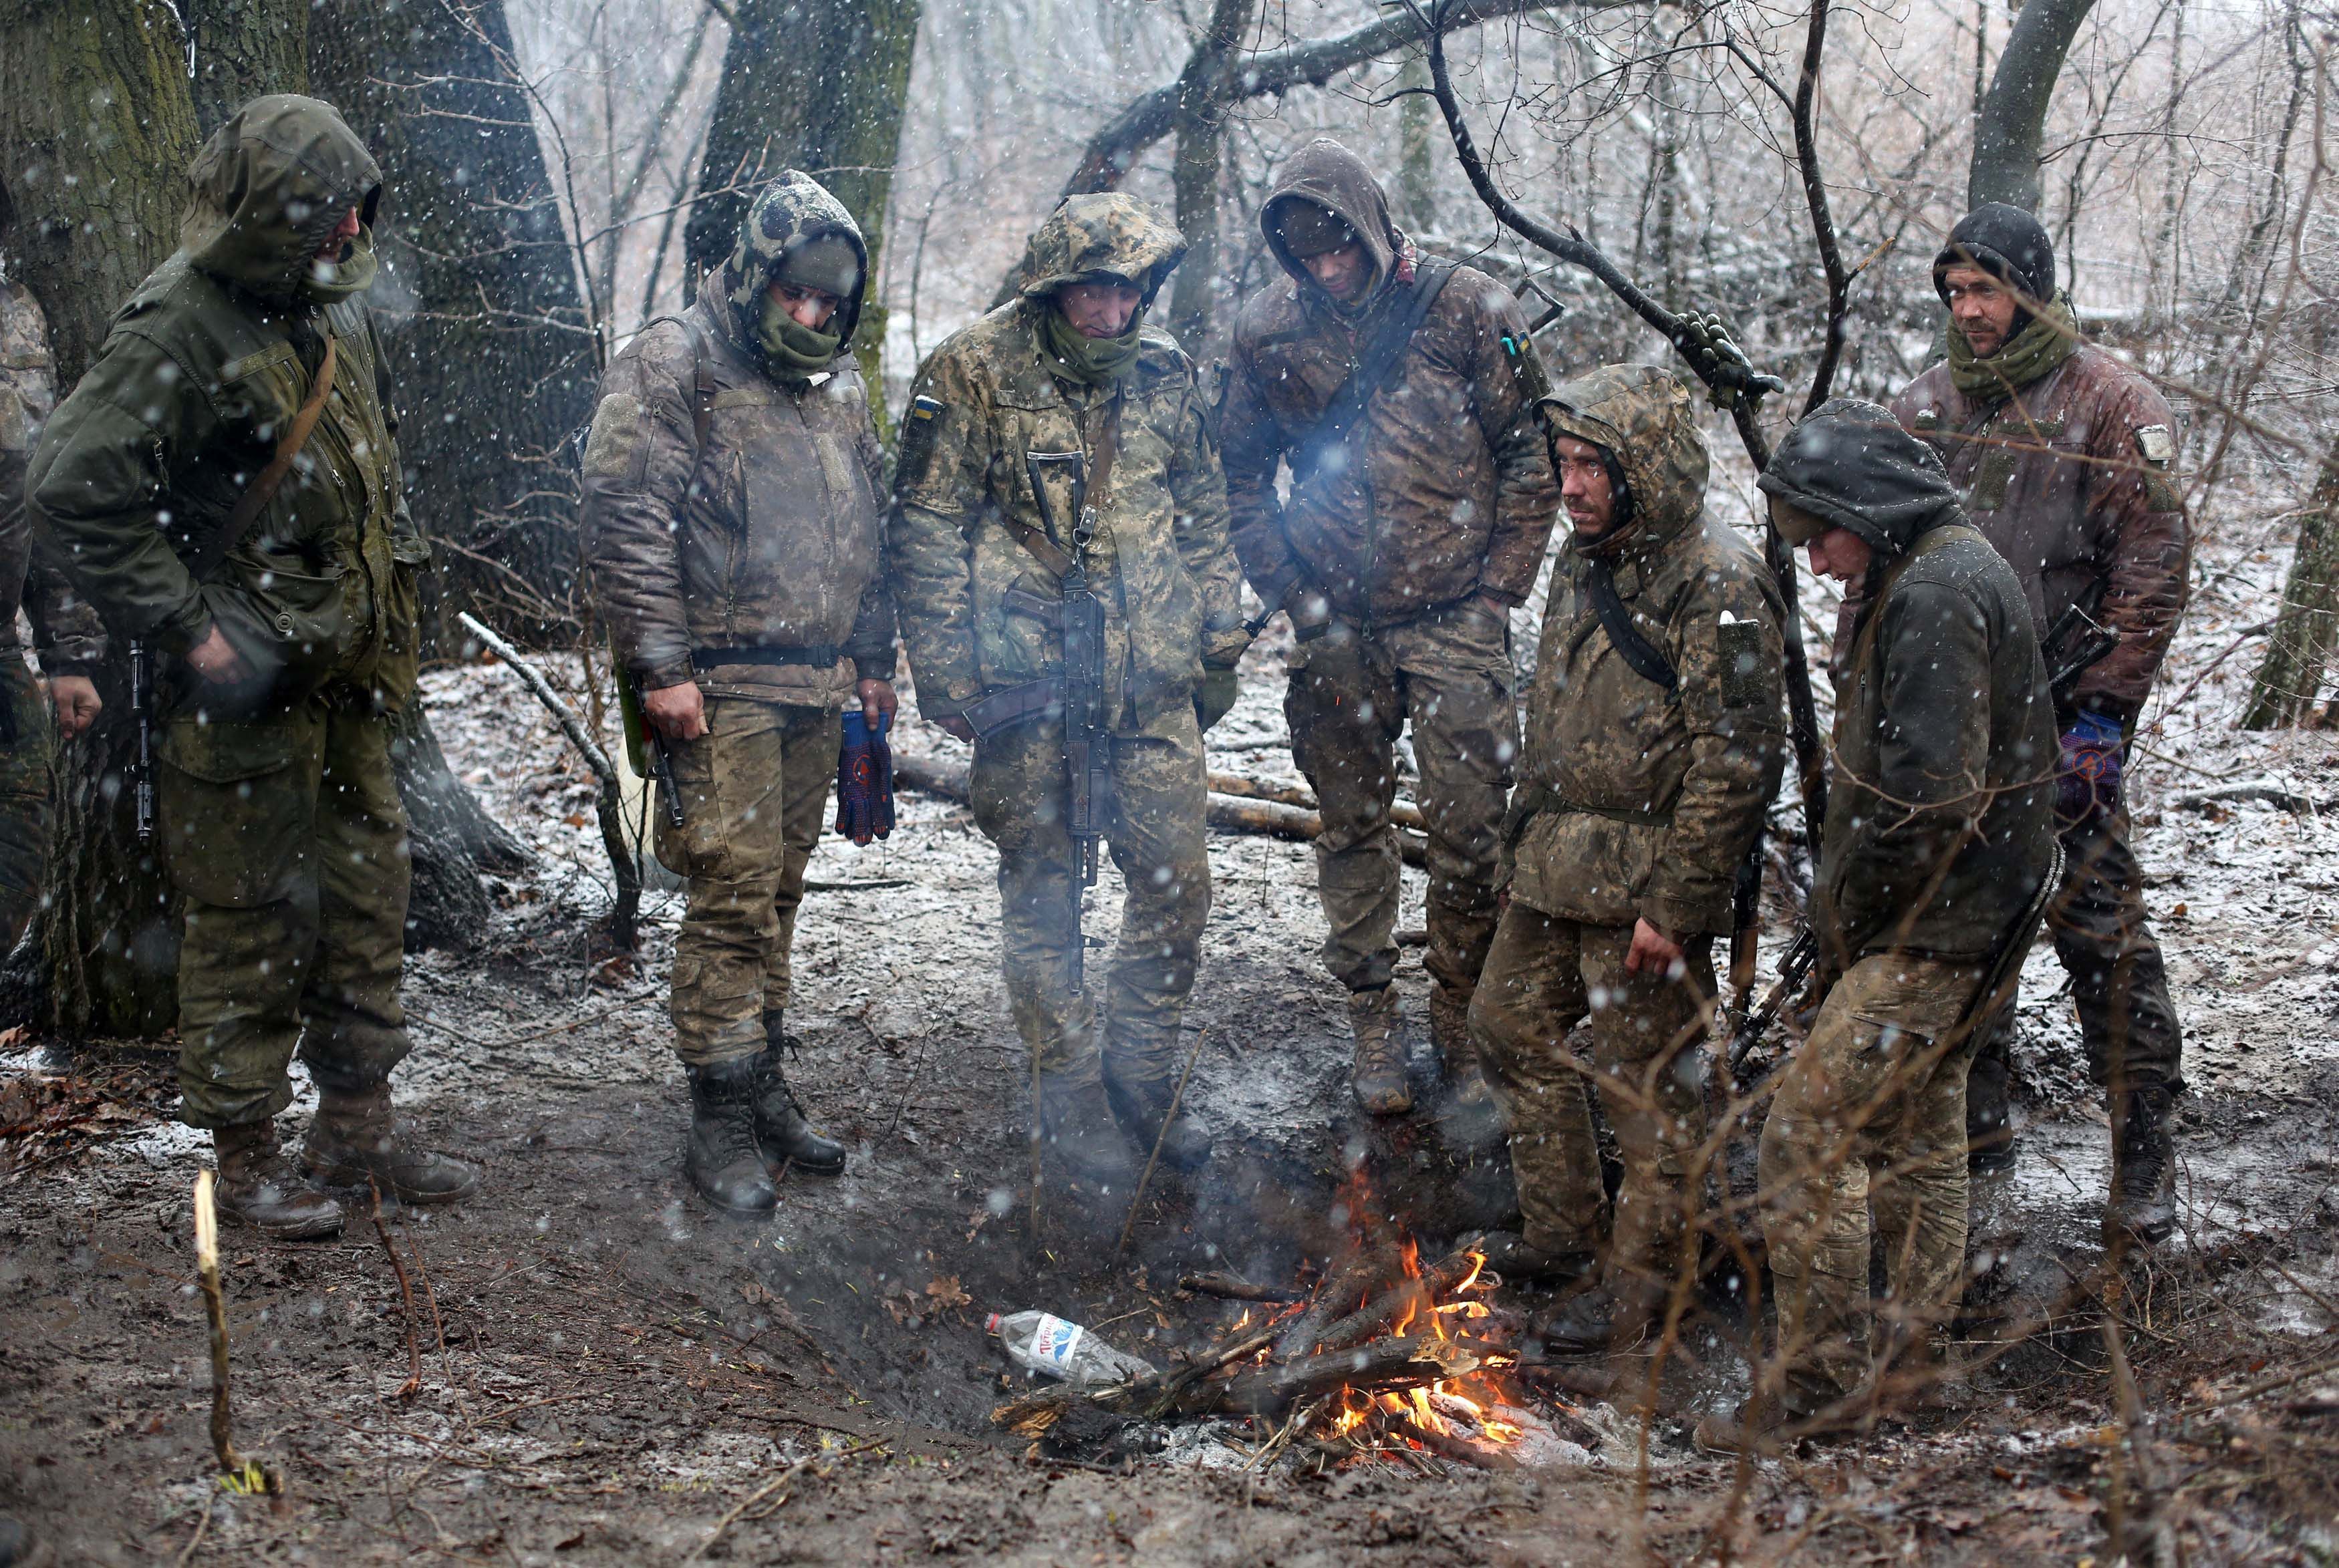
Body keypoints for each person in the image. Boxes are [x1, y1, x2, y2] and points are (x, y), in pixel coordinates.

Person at [29, 96, 476, 1240]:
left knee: (367, 905)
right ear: (270, 221)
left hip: (347, 686)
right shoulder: (175, 326)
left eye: (356, 219)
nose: (350, 244)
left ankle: (359, 1124)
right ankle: (244, 1158)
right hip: (240, 705)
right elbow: (74, 485)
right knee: (248, 921)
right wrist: (189, 626)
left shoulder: (321, 310)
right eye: (327, 223)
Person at [1700, 400, 2056, 1452]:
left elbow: (1926, 805)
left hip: (1937, 929)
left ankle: (1816, 1396)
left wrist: (1852, 931)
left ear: (1869, 506)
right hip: (1971, 918)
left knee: (1810, 1137)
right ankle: (1914, 1368)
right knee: (1922, 1134)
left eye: (1820, 537)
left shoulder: (1939, 590)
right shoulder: (1939, 565)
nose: (1813, 566)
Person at [889, 192, 1247, 1190]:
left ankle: (1139, 1069)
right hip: (1026, 680)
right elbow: (924, 525)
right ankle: (1072, 1099)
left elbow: (1205, 509)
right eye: (1095, 288)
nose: (1113, 308)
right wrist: (948, 672)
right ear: (1055, 289)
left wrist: (1217, 633)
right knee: (1042, 896)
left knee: (1179, 887)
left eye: (1129, 287)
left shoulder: (1167, 374)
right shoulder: (971, 371)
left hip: (1146, 678)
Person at [1220, 138, 1560, 1124]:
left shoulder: (1467, 308)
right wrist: (1286, 584)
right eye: (1308, 256)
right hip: (1335, 619)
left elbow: (1531, 452)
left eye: (1340, 249)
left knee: (1470, 828)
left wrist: (1499, 591)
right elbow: (1238, 471)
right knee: (1352, 824)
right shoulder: (1268, 332)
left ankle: (1459, 1014)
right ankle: (1373, 1013)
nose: (1328, 270)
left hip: (1456, 611)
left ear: (1372, 229)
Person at [1877, 203, 2191, 1243]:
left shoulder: (2108, 404)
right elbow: (1870, 569)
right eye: (1957, 292)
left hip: (2064, 719)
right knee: (1962, 935)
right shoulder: (1922, 410)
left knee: (2101, 935)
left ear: (2033, 288)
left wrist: (2103, 717)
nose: (1972, 311)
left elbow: (2152, 569)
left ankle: (2143, 1149)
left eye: (1989, 289)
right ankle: (1976, 1140)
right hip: (1949, 727)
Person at [581, 172, 890, 1213]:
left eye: (828, 303)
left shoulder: (841, 383)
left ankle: (761, 1085)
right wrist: (661, 668)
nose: (810, 316)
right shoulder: (677, 360)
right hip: (719, 682)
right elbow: (625, 516)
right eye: (794, 294)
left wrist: (875, 658)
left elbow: (869, 527)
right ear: (759, 275)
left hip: (816, 677)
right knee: (731, 894)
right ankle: (717, 1115)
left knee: (781, 896)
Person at [1466, 365, 1784, 1352]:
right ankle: (1564, 1236)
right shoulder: (1583, 560)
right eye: (1563, 463)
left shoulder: (1722, 583)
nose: (1571, 486)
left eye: (1593, 466)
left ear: (1645, 469)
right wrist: (1523, 845)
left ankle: (1648, 1288)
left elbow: (1739, 758)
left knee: (1655, 1094)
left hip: (1649, 884)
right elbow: (1558, 716)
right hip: (1557, 864)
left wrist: (1680, 905)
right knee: (1508, 1026)